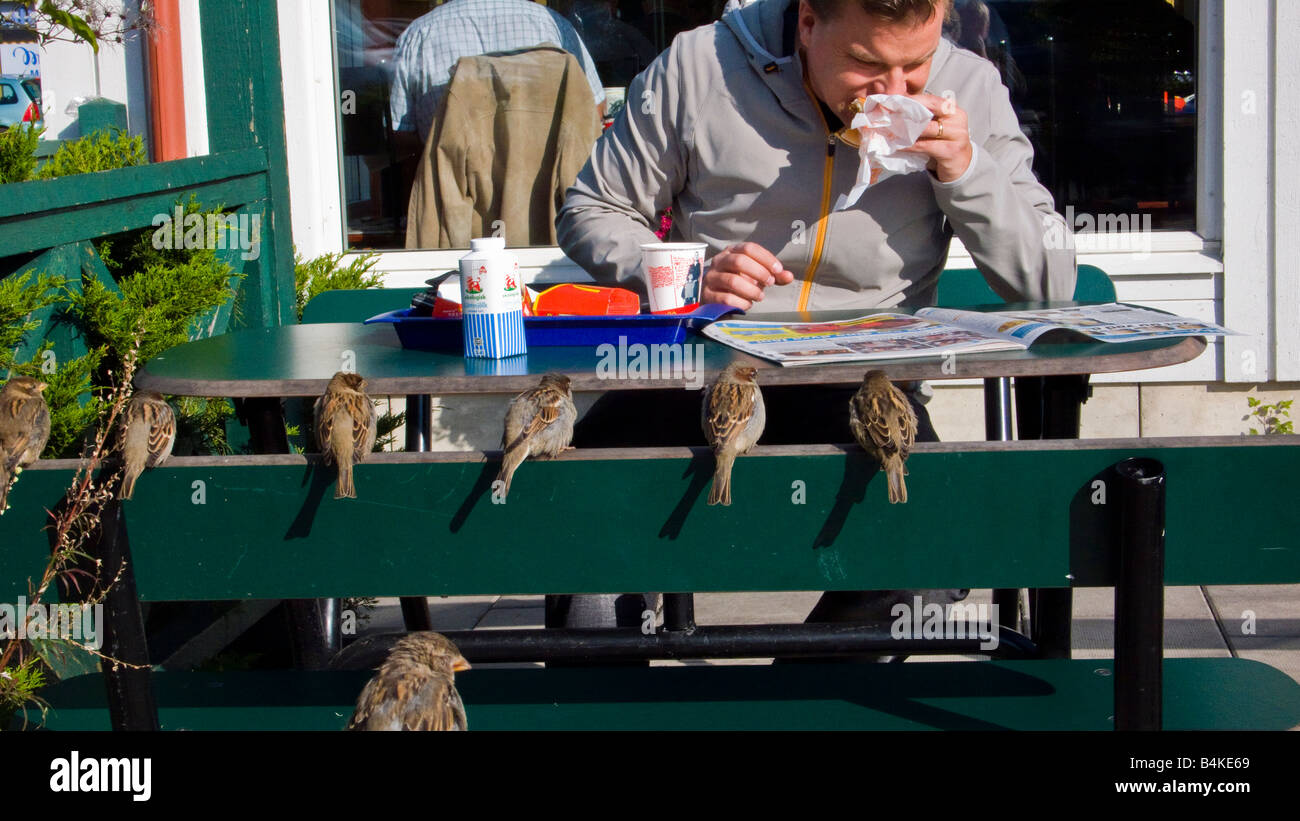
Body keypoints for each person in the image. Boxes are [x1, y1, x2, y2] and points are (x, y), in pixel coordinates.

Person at [555, 0, 1076, 643]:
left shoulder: (970, 84)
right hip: (705, 365)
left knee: (936, 545)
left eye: (915, 65)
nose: (891, 92)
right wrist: (687, 275)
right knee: (579, 507)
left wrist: (967, 171)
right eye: (864, 64)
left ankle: (794, 708)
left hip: (866, 383)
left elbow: (1047, 279)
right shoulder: (700, 65)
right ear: (807, 23)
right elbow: (592, 208)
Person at [388, 0, 608, 150]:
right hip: (545, 201)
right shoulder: (551, 24)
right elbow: (594, 111)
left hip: (456, 203)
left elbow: (401, 132)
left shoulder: (418, 35)